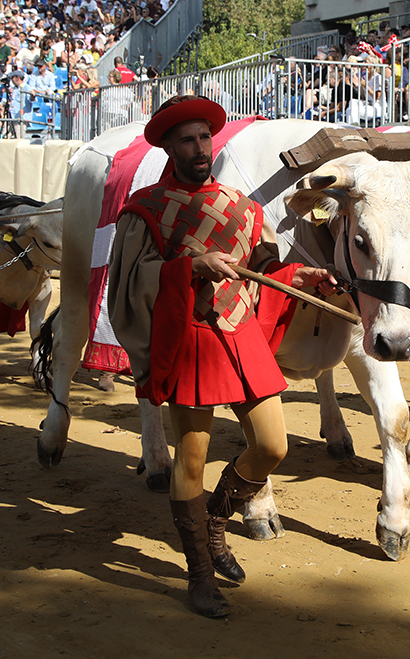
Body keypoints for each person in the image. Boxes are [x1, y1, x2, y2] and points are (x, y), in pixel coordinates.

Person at [106, 95, 336, 617]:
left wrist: (301, 277)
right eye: (186, 140)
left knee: (273, 447)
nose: (199, 147)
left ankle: (214, 521)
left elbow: (262, 271)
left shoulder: (242, 207)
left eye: (204, 138)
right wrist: (188, 269)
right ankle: (200, 576)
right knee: (191, 458)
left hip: (241, 336)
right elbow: (127, 286)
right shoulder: (145, 209)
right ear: (168, 146)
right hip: (188, 337)